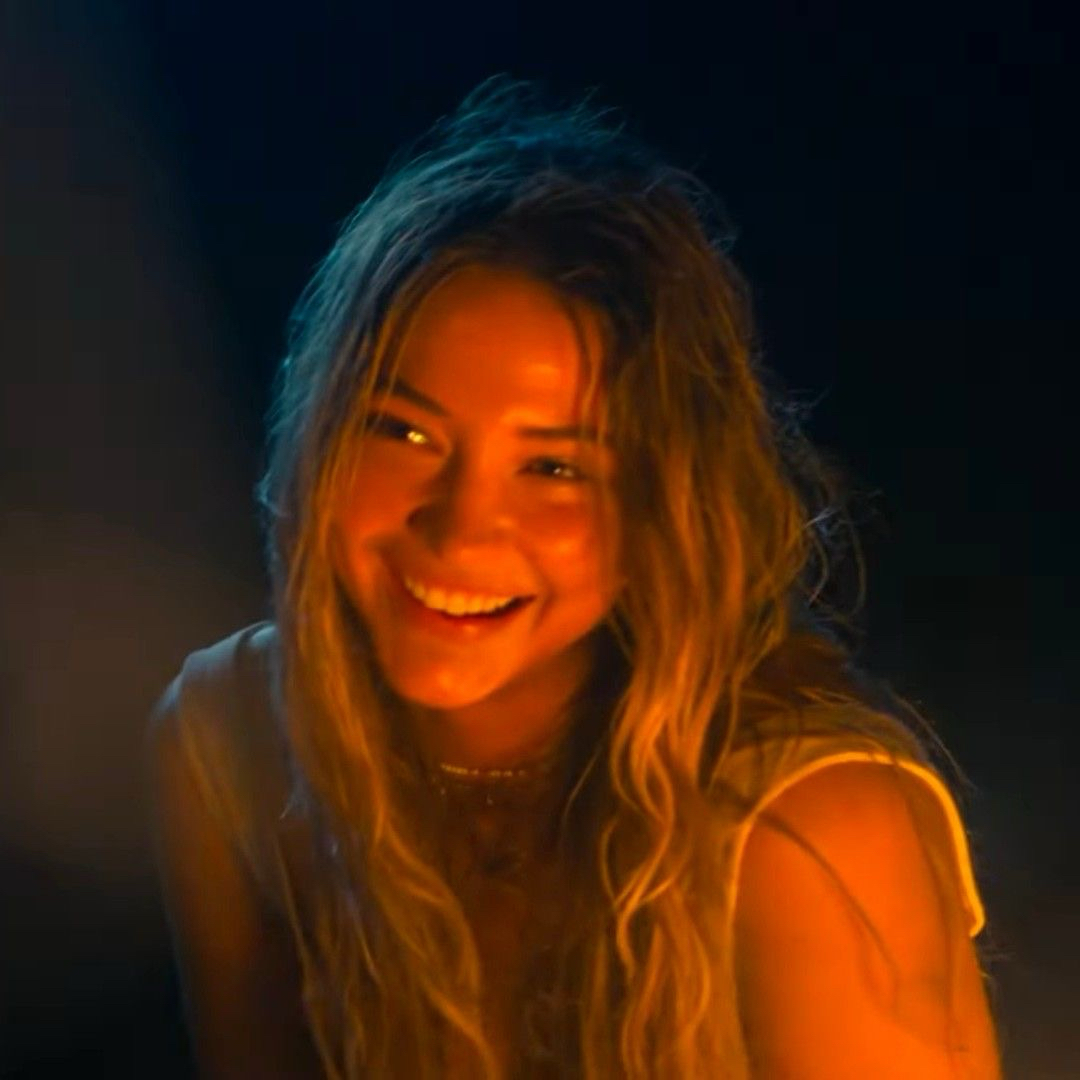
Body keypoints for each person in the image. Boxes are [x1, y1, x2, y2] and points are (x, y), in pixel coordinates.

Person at [148, 76, 1002, 1078]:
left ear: (665, 505)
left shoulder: (809, 827)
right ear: (318, 437)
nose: (462, 528)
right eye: (405, 432)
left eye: (555, 467)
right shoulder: (226, 735)